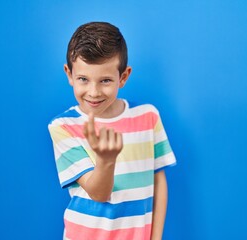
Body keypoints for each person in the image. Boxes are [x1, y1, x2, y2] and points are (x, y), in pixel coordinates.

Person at [48, 21, 176, 240]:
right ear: (69, 74)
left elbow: (159, 181)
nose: (94, 92)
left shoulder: (148, 116)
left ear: (123, 77)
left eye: (105, 80)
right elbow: (99, 193)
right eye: (83, 79)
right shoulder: (63, 126)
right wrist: (106, 160)